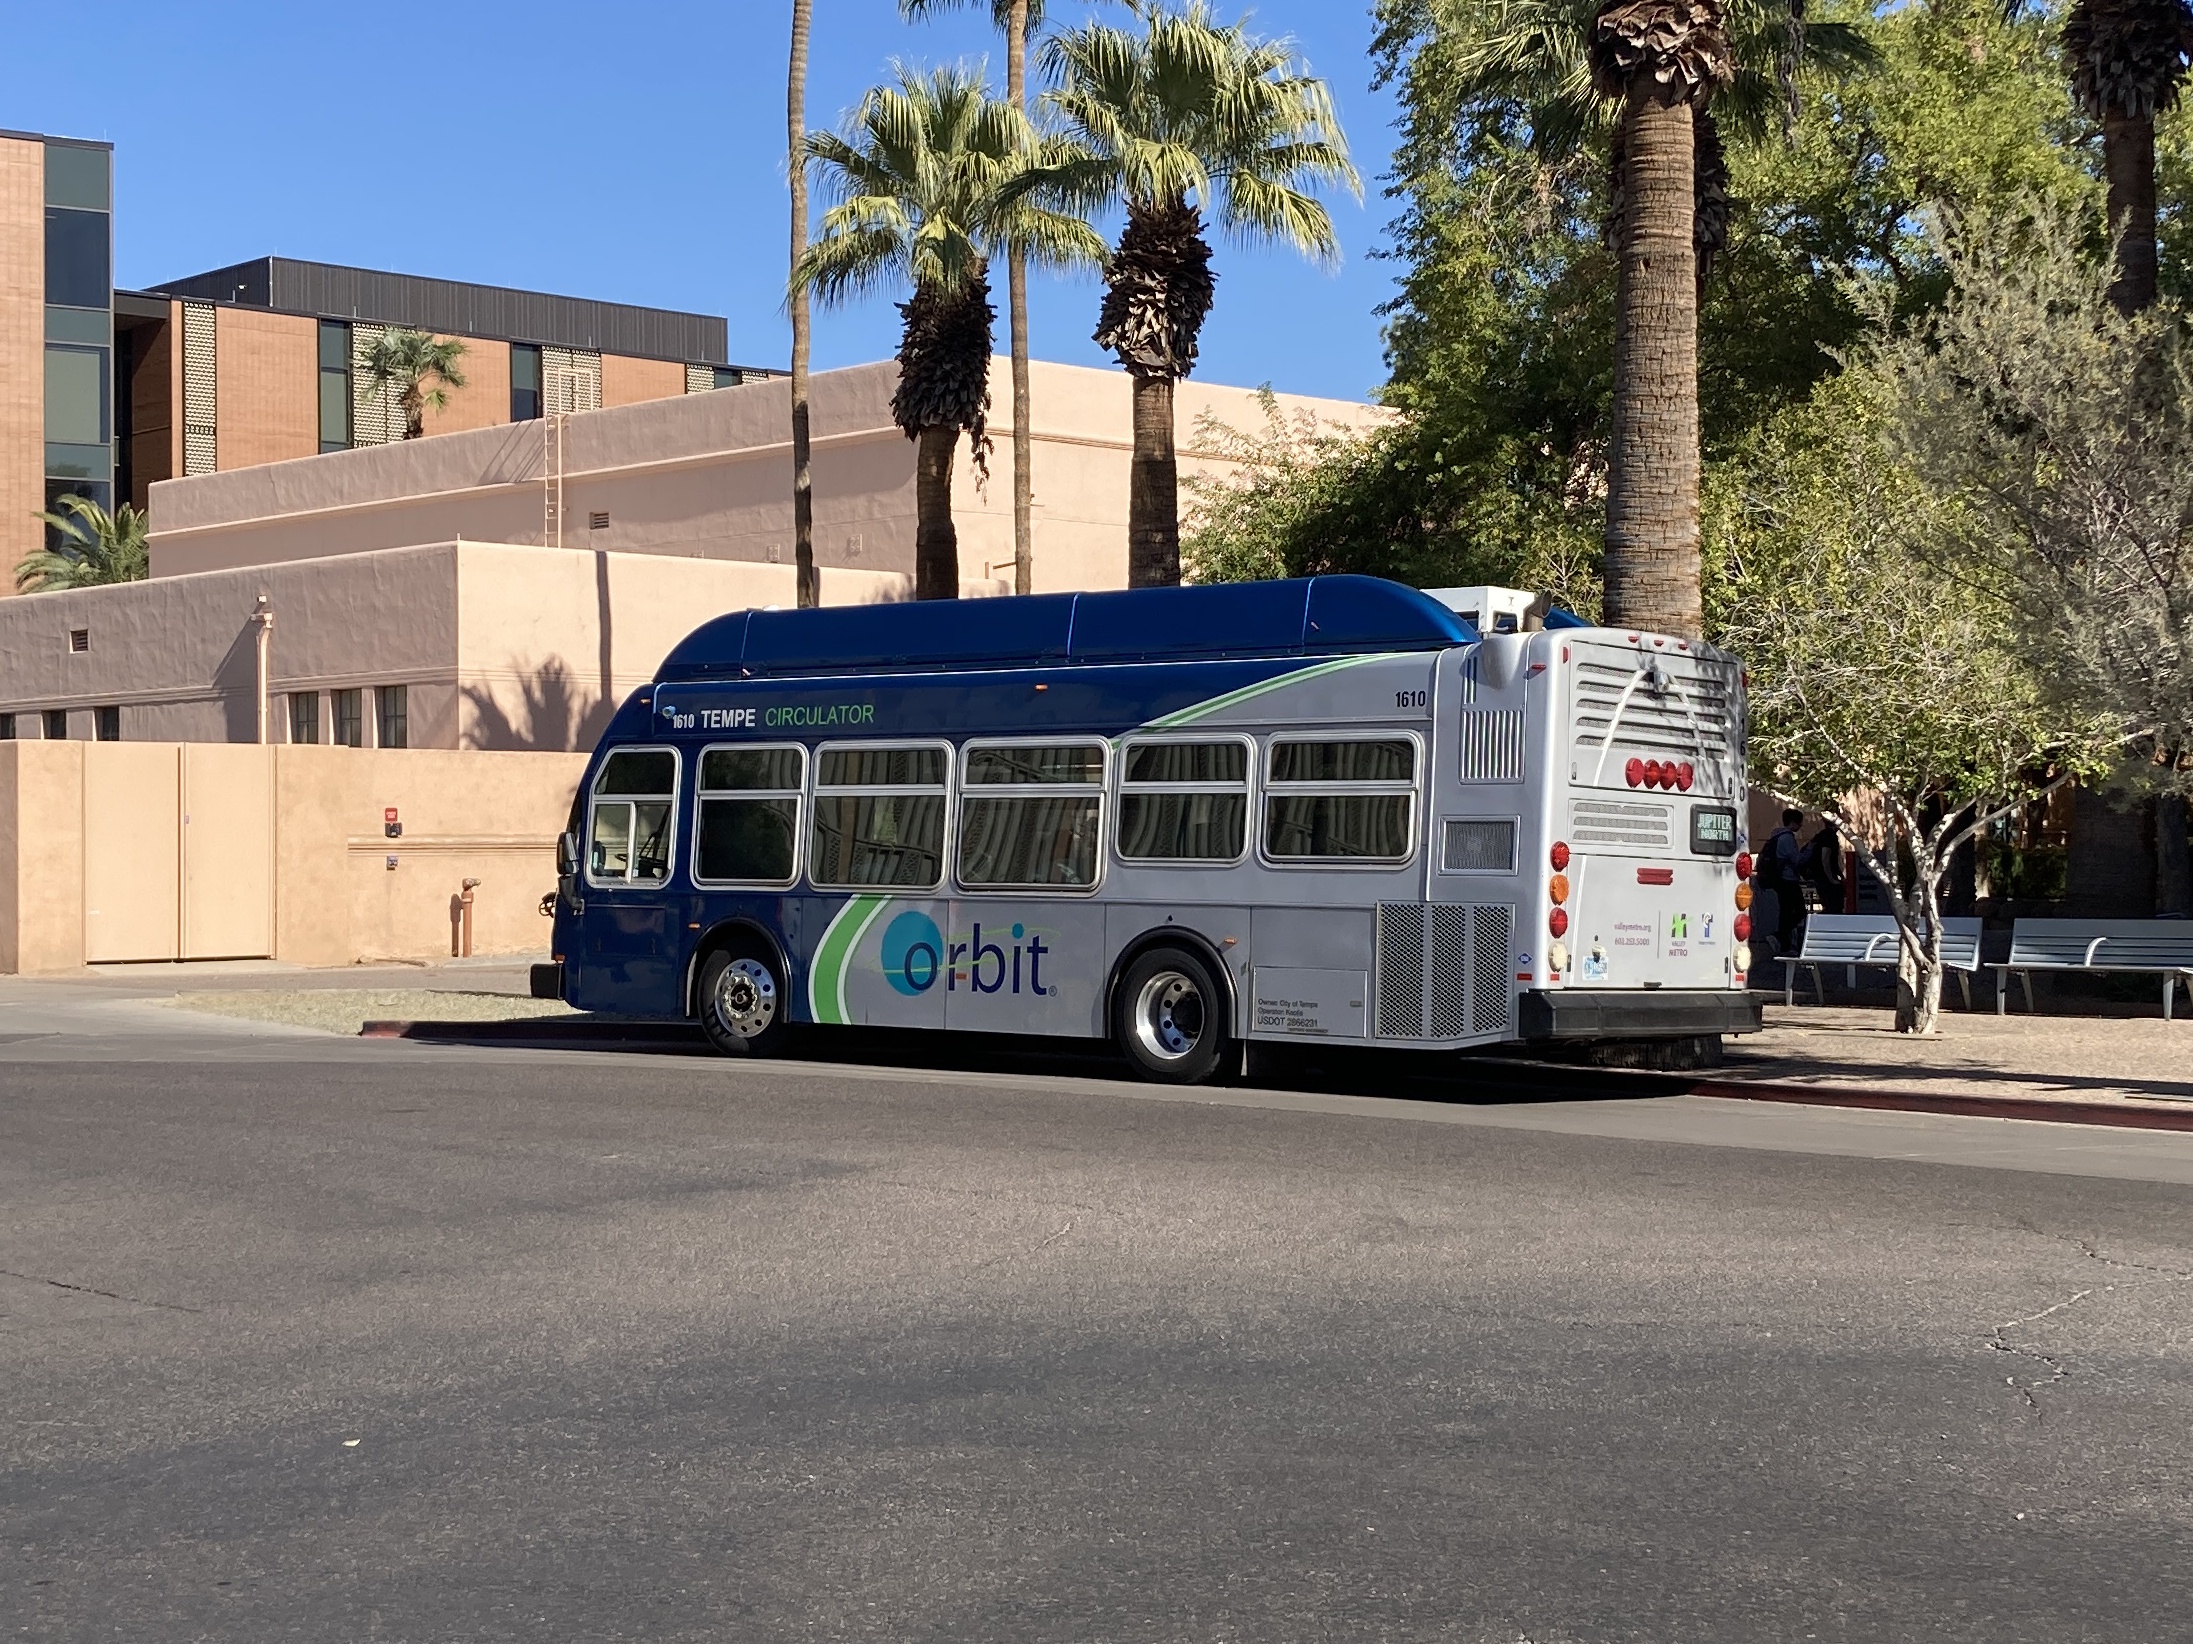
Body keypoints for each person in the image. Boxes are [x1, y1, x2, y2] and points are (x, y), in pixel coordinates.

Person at [1760, 808, 1807, 957]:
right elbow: (1796, 860)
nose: (1801, 826)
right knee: (1799, 911)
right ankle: (1780, 936)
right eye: (1799, 823)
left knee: (1786, 912)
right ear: (1793, 822)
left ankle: (1784, 944)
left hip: (1780, 880)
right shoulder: (1787, 838)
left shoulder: (1776, 836)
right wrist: (1808, 853)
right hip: (1788, 880)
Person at [1804, 819, 1847, 916]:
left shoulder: (1820, 836)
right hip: (1824, 877)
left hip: (1818, 876)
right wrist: (1831, 878)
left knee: (1829, 905)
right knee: (1834, 906)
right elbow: (1825, 858)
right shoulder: (1829, 836)